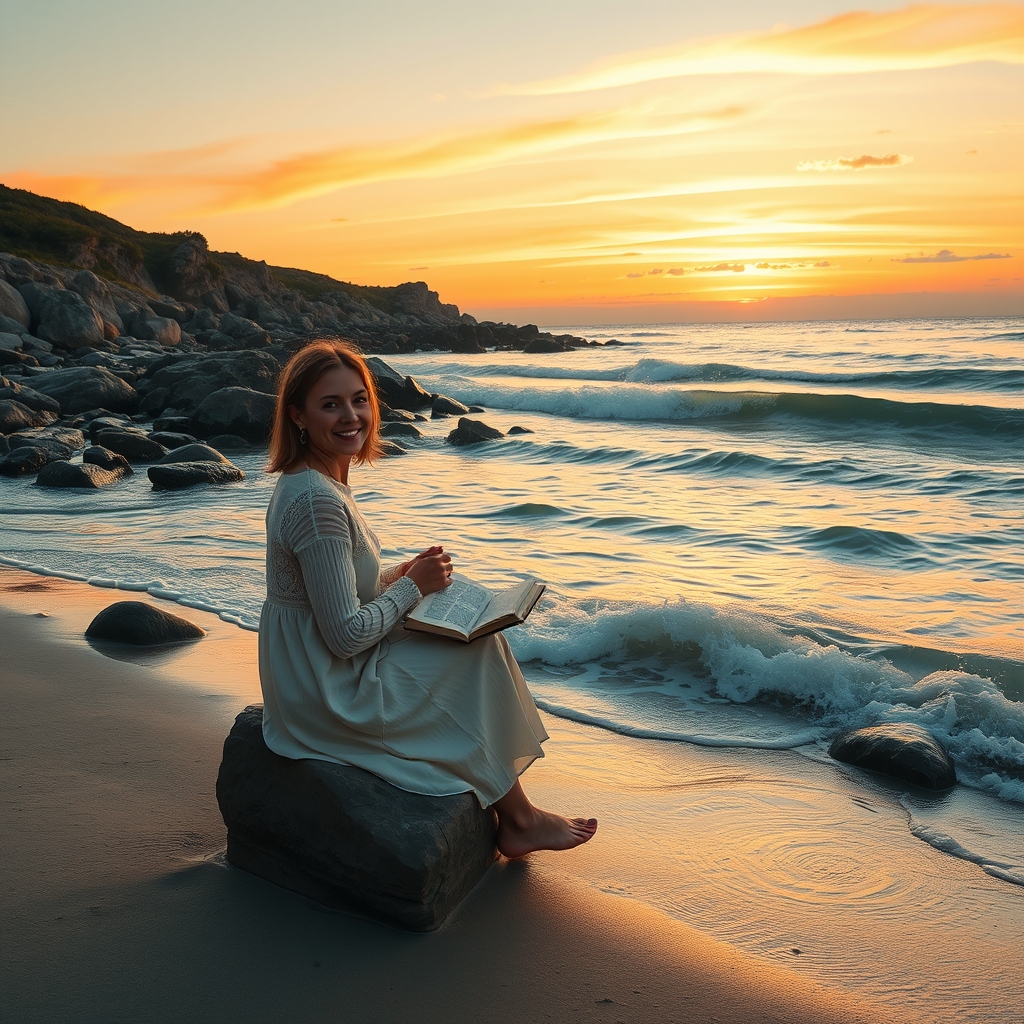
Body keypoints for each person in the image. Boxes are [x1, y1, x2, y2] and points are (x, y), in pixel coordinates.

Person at [259, 340, 597, 857]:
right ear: (297, 415)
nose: (351, 416)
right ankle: (521, 820)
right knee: (473, 652)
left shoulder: (317, 482)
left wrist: (402, 573)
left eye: (359, 400)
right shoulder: (315, 502)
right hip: (324, 688)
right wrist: (414, 586)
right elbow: (346, 636)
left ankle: (520, 816)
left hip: (315, 664)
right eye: (331, 404)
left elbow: (334, 586)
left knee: (479, 637)